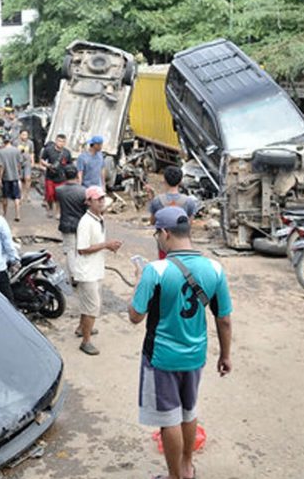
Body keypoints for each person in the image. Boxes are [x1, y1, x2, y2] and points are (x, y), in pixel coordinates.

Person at [129, 206, 233, 479]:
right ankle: (187, 466)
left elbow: (135, 316)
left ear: (164, 233)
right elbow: (224, 319)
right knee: (189, 411)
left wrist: (138, 283)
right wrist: (225, 355)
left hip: (162, 358)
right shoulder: (214, 268)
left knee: (168, 420)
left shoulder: (155, 270)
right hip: (195, 355)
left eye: (156, 234)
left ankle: (174, 476)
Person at [74, 186, 123, 355]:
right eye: (98, 199)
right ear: (88, 202)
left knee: (88, 304)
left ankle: (82, 328)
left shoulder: (98, 218)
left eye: (102, 198)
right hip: (87, 271)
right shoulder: (85, 222)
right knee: (92, 307)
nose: (102, 202)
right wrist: (106, 245)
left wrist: (108, 246)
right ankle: (85, 341)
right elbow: (82, 248)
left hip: (94, 269)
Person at [149, 166, 200, 259]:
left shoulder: (157, 201)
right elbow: (189, 224)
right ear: (180, 181)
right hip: (183, 245)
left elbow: (153, 222)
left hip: (164, 245)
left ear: (164, 180)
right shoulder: (189, 202)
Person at [55, 165, 85, 284]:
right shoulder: (83, 191)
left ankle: (73, 275)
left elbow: (57, 207)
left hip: (66, 223)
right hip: (81, 224)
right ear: (77, 175)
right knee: (80, 249)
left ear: (64, 175)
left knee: (69, 251)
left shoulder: (59, 190)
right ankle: (80, 273)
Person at [40, 134, 74, 218]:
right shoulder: (48, 150)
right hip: (50, 177)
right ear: (56, 141)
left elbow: (70, 165)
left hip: (62, 177)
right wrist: (48, 165)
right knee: (50, 195)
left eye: (63, 141)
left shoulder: (67, 153)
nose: (61, 143)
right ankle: (50, 209)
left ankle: (58, 212)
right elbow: (41, 159)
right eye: (59, 141)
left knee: (59, 196)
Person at [0, 137, 24, 222]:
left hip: (6, 177)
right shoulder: (16, 150)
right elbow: (19, 164)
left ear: (3, 142)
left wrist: (0, 178)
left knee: (5, 197)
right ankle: (18, 215)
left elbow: (2, 166)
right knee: (16, 196)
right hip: (15, 177)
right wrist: (18, 173)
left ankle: (5, 214)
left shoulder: (1, 152)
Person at [17, 129, 35, 195]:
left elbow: (31, 153)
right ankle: (20, 193)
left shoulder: (30, 143)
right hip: (18, 162)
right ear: (20, 135)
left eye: (26, 135)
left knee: (28, 178)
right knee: (20, 178)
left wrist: (32, 162)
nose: (25, 136)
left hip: (27, 162)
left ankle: (27, 193)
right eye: (23, 135)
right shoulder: (16, 142)